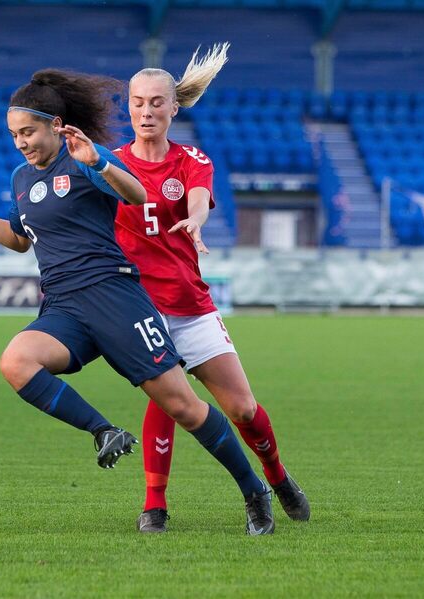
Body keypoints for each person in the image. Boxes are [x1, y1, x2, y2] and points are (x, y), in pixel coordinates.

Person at [0, 69, 274, 535]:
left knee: (185, 408)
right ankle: (103, 431)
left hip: (116, 298)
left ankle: (254, 490)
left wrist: (98, 162)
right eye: (13, 135)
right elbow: (17, 239)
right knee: (16, 362)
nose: (20, 143)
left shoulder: (85, 157)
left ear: (55, 124)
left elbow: (136, 193)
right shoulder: (21, 178)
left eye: (27, 132)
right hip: (65, 308)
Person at [112, 44, 310, 533]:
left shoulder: (190, 159)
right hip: (144, 310)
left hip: (191, 306)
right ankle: (154, 506)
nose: (146, 110)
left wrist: (196, 221)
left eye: (157, 101)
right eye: (138, 102)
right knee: (166, 401)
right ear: (129, 107)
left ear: (174, 107)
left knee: (242, 408)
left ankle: (279, 479)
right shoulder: (110, 165)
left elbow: (198, 200)